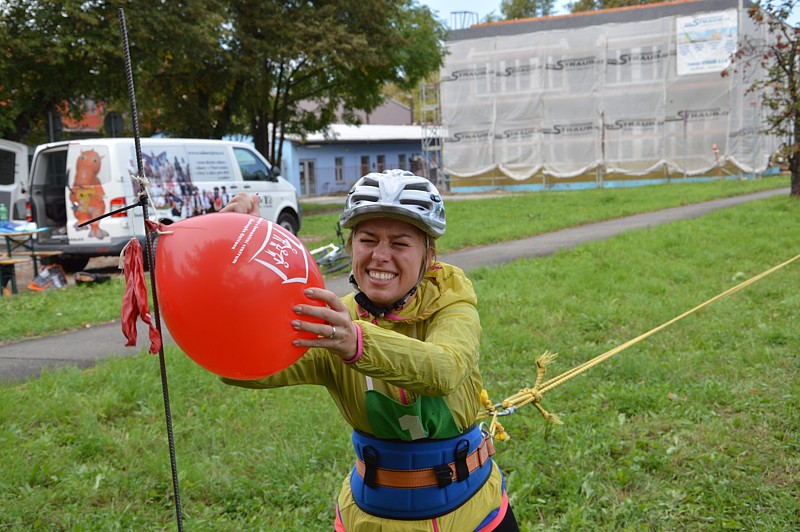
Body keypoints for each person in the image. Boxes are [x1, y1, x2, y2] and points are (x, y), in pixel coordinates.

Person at [220, 169, 519, 531]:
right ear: (350, 247)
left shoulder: (450, 302)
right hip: (370, 515)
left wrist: (356, 342)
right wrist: (237, 258)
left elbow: (446, 368)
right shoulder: (334, 319)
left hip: (473, 514)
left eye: (400, 243)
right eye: (367, 239)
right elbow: (245, 366)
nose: (380, 255)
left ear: (428, 253)